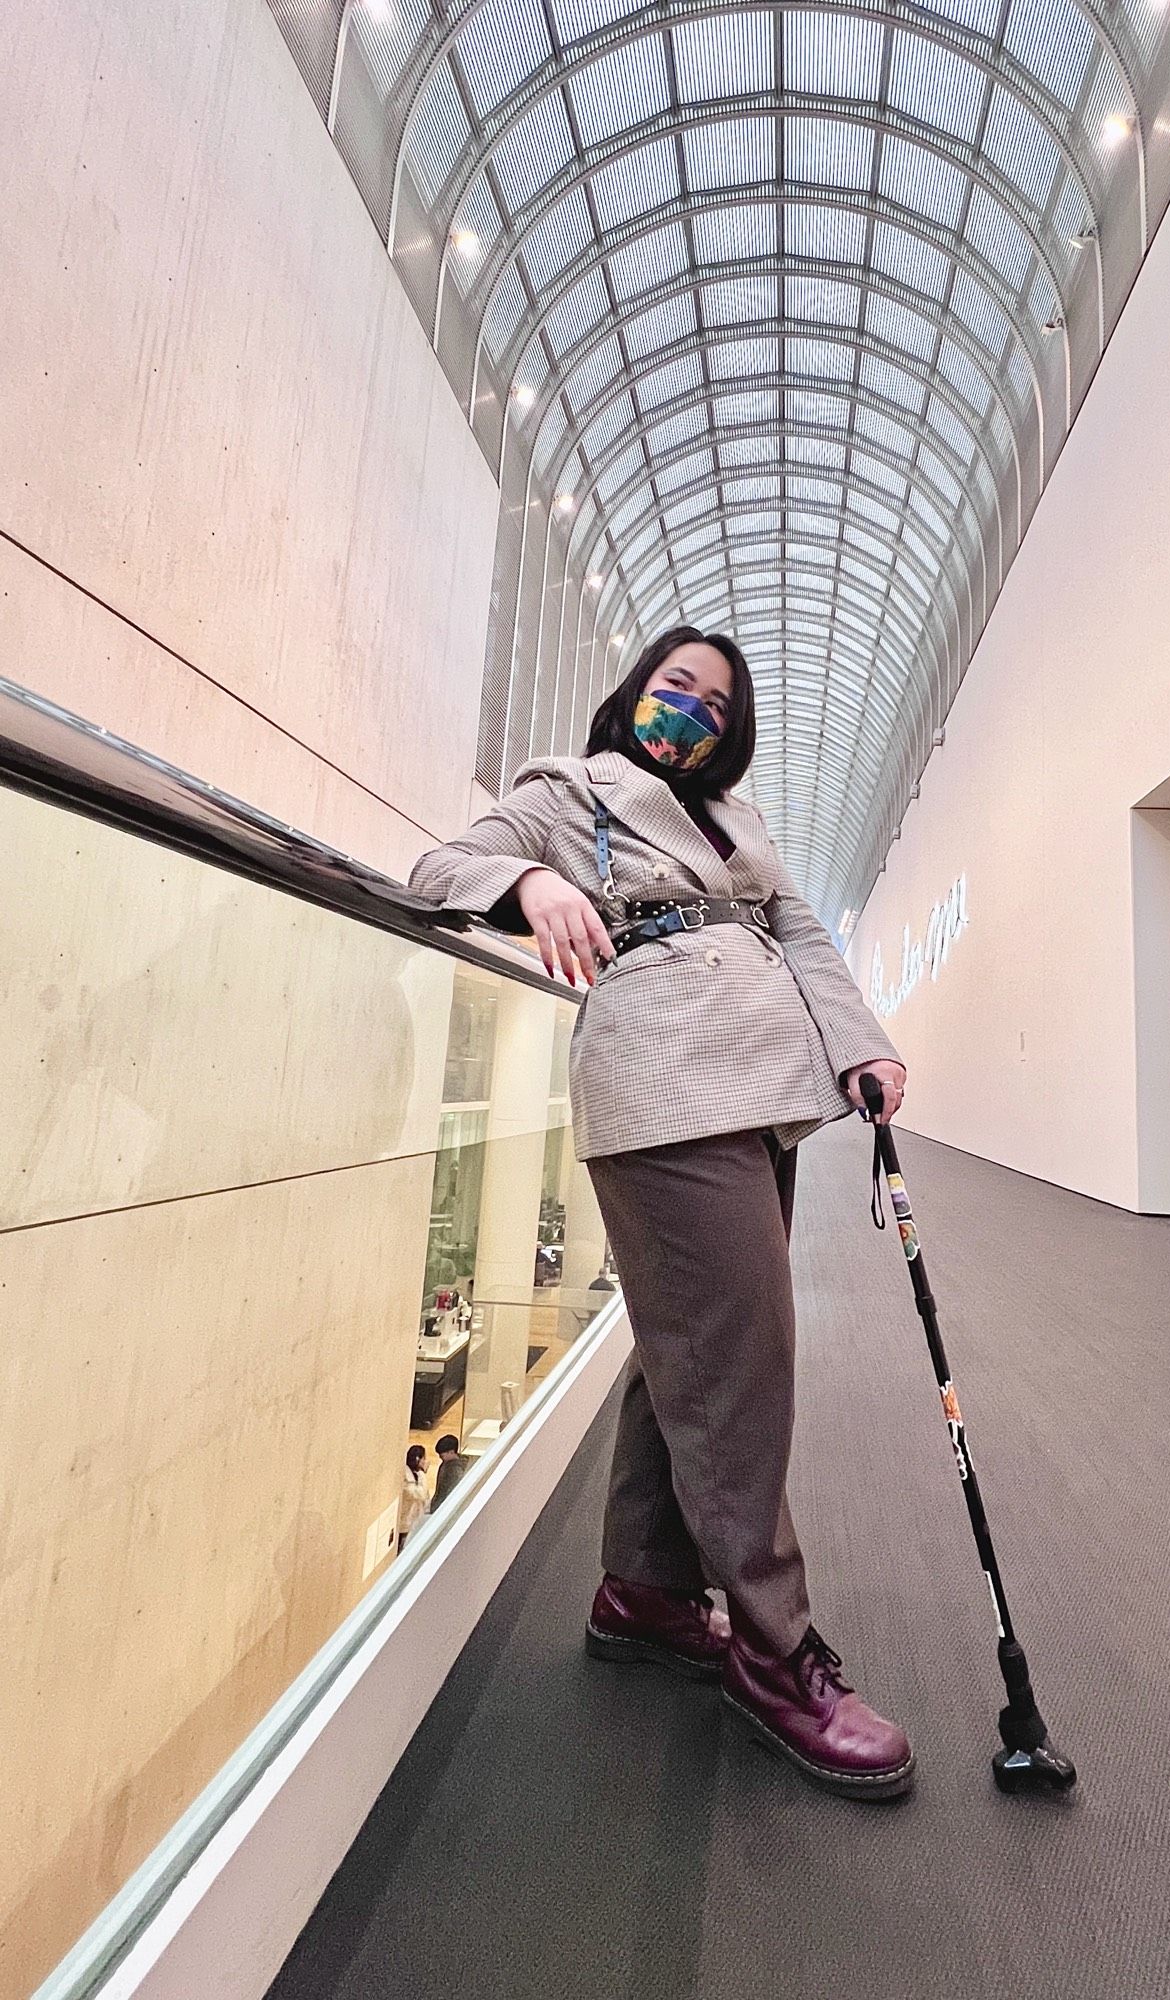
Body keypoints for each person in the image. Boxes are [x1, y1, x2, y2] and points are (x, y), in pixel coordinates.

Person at [409, 625, 913, 1800]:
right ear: (635, 691)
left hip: (766, 1084)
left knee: (690, 1343)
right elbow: (438, 867)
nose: (686, 706)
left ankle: (641, 1586)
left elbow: (802, 937)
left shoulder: (744, 827)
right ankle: (776, 1649)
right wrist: (528, 881)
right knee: (743, 1356)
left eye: (711, 699)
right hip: (662, 1080)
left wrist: (862, 1046)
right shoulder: (568, 789)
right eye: (672, 684)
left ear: (730, 731)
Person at [398, 1444, 430, 1549]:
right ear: (418, 1459)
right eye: (424, 1458)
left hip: (415, 1520)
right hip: (404, 1523)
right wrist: (423, 1473)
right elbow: (419, 1494)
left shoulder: (418, 1475)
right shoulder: (404, 1476)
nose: (426, 1461)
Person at [430, 1434, 471, 1513]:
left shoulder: (456, 1472)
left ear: (451, 1452)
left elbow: (449, 1495)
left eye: (442, 1455)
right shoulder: (447, 1463)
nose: (440, 1457)